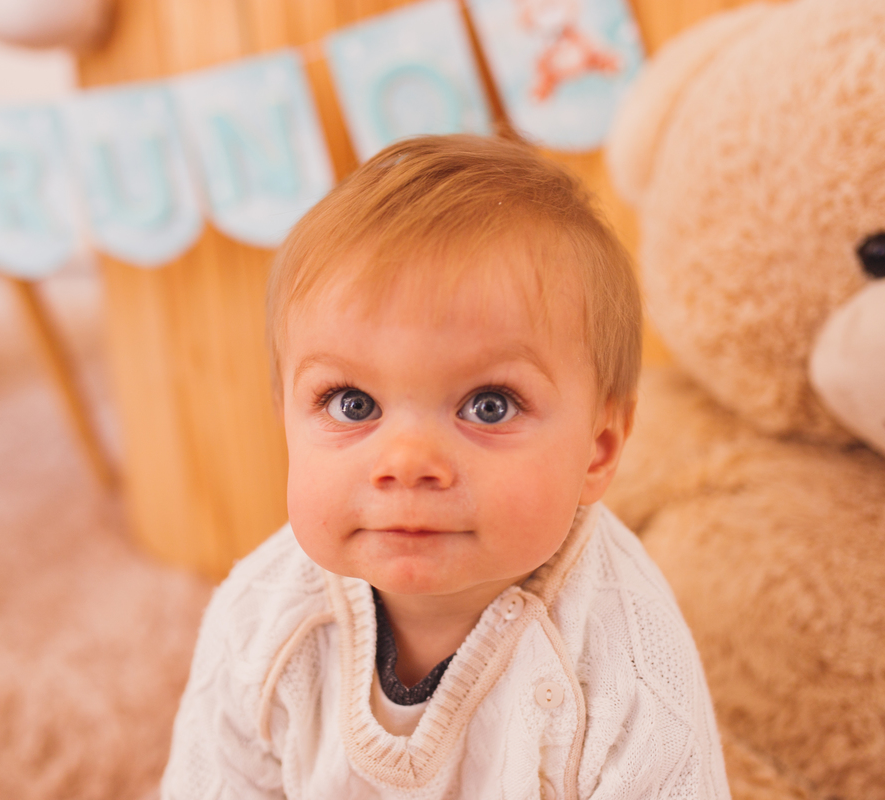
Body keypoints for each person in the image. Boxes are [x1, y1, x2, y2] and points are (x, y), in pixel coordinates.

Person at [161, 134, 730, 799]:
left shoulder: (626, 663)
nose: (407, 464)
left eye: (488, 406)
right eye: (352, 403)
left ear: (598, 449)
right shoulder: (262, 619)